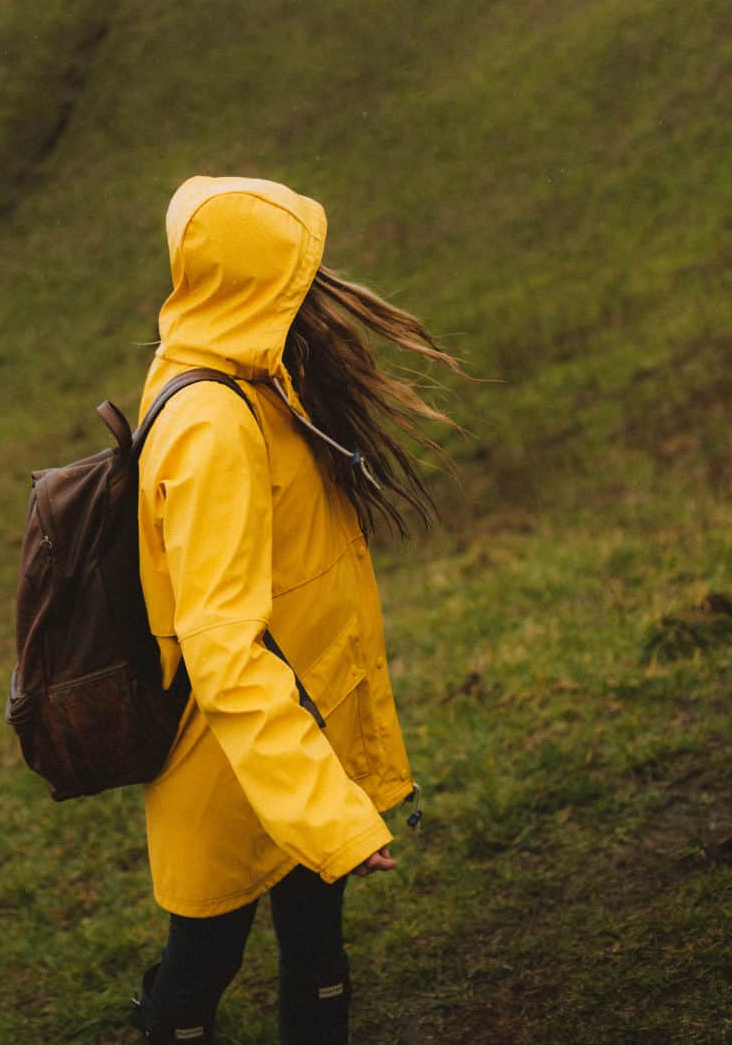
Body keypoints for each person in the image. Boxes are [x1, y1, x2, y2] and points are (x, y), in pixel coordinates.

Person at [131, 175, 463, 1044]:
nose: (319, 288)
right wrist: (327, 812)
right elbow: (224, 650)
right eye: (296, 270)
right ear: (254, 282)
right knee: (199, 970)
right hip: (238, 768)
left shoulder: (257, 379)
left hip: (302, 746)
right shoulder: (211, 423)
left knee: (318, 959)